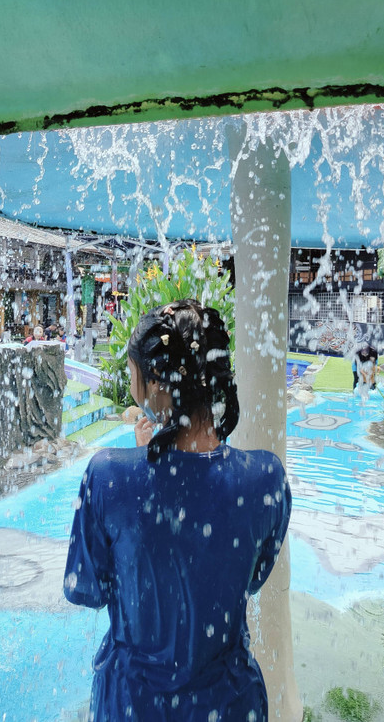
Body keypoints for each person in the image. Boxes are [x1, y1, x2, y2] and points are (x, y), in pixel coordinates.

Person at [64, 299, 291, 721]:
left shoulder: (109, 478)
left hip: (134, 707)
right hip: (231, 706)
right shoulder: (266, 480)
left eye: (133, 375)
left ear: (154, 384)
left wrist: (140, 472)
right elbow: (251, 578)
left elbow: (85, 590)